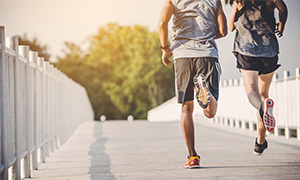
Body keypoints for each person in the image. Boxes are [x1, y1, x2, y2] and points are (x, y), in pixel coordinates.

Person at [158, 0, 227, 168]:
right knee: (209, 112)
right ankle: (205, 91)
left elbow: (162, 23)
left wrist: (165, 48)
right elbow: (223, 31)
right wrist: (207, 34)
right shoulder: (214, 1)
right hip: (207, 54)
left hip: (182, 55)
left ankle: (192, 156)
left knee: (186, 107)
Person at [227, 0, 288, 155]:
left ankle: (262, 108)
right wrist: (281, 24)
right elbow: (283, 8)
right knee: (264, 95)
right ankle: (260, 142)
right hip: (269, 51)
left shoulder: (238, 1)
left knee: (253, 93)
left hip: (246, 51)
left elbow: (230, 27)